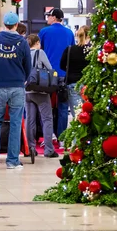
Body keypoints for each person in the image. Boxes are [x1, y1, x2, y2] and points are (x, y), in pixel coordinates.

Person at [0, 12, 31, 170]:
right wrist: (24, 79)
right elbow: (28, 66)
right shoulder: (22, 42)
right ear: (16, 25)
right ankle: (13, 161)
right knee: (16, 122)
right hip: (17, 86)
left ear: (4, 24)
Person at [38, 8, 75, 144]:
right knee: (63, 107)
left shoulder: (44, 32)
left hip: (47, 74)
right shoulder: (69, 33)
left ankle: (48, 136)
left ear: (54, 17)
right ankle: (62, 138)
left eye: (48, 16)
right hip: (64, 74)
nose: (47, 18)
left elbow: (38, 49)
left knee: (45, 106)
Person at [25, 34, 58, 158]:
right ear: (37, 42)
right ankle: (49, 149)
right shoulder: (40, 53)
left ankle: (30, 148)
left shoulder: (25, 53)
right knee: (47, 119)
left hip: (27, 90)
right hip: (40, 90)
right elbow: (49, 69)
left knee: (30, 119)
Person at [60, 26, 91, 118]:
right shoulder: (92, 51)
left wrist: (71, 71)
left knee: (78, 116)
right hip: (88, 85)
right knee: (89, 114)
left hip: (73, 84)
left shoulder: (69, 50)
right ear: (89, 37)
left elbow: (62, 65)